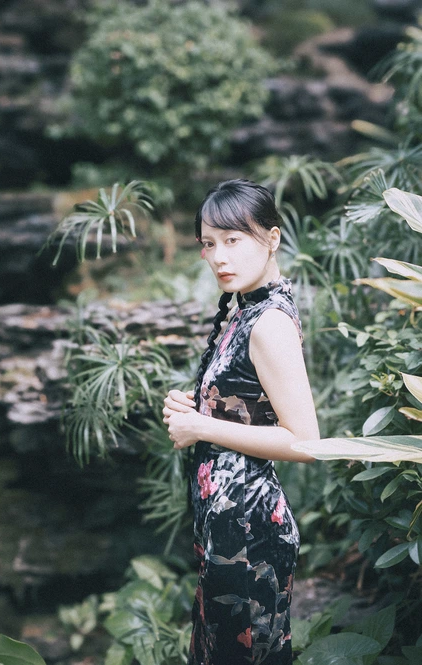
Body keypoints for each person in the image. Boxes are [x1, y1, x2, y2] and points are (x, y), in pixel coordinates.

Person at [162, 179, 319, 665]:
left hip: (250, 534)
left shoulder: (268, 322)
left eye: (233, 240)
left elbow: (305, 441)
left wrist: (201, 427)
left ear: (272, 238)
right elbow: (250, 405)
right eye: (209, 243)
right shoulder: (247, 311)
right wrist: (195, 407)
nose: (219, 257)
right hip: (229, 529)